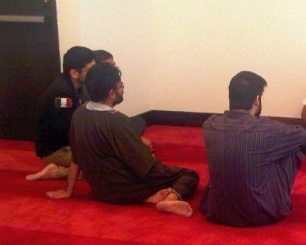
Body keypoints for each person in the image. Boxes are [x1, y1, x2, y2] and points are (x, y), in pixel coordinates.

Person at [46, 63, 199, 217]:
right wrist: (146, 148)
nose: (122, 89)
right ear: (111, 93)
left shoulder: (79, 113)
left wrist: (68, 191)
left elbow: (76, 158)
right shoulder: (118, 121)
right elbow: (144, 166)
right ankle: (170, 198)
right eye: (120, 86)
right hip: (125, 189)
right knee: (190, 175)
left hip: (101, 191)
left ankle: (149, 197)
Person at [200, 71, 306, 227]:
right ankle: (279, 198)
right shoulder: (268, 129)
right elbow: (303, 136)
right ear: (257, 99)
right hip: (260, 214)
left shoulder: (210, 124)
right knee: (292, 150)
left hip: (216, 211)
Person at [26, 46, 95, 181]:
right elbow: (66, 128)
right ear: (75, 73)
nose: (94, 73)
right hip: (56, 151)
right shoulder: (62, 95)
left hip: (69, 144)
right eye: (90, 70)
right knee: (103, 163)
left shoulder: (79, 85)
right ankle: (58, 172)